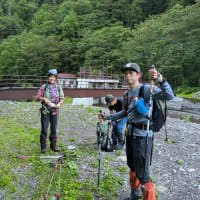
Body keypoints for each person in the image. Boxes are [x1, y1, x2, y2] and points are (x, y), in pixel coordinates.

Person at [98, 63, 174, 200]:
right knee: (132, 167)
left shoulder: (145, 89)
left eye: (131, 73)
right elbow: (124, 112)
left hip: (143, 137)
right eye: (125, 73)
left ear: (139, 75)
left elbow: (169, 96)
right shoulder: (127, 93)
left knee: (143, 174)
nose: (127, 75)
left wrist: (160, 79)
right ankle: (135, 195)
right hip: (131, 135)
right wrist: (108, 117)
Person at [36, 69, 64, 153]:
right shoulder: (44, 87)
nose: (51, 79)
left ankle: (53, 146)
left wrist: (59, 104)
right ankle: (43, 147)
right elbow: (37, 97)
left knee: (54, 129)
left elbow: (62, 98)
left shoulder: (58, 87)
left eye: (53, 77)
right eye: (50, 77)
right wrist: (44, 98)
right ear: (48, 78)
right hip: (45, 110)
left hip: (55, 110)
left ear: (55, 78)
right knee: (44, 129)